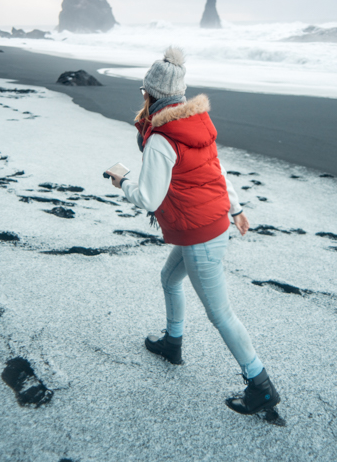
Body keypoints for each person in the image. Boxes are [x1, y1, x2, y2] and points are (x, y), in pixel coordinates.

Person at [108, 47, 280, 414]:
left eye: (144, 92)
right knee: (169, 278)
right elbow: (218, 171)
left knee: (221, 314)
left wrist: (121, 181)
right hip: (208, 223)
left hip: (200, 233)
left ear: (149, 93)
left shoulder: (161, 138)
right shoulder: (197, 124)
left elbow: (149, 197)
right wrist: (237, 209)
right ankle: (173, 343)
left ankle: (261, 385)